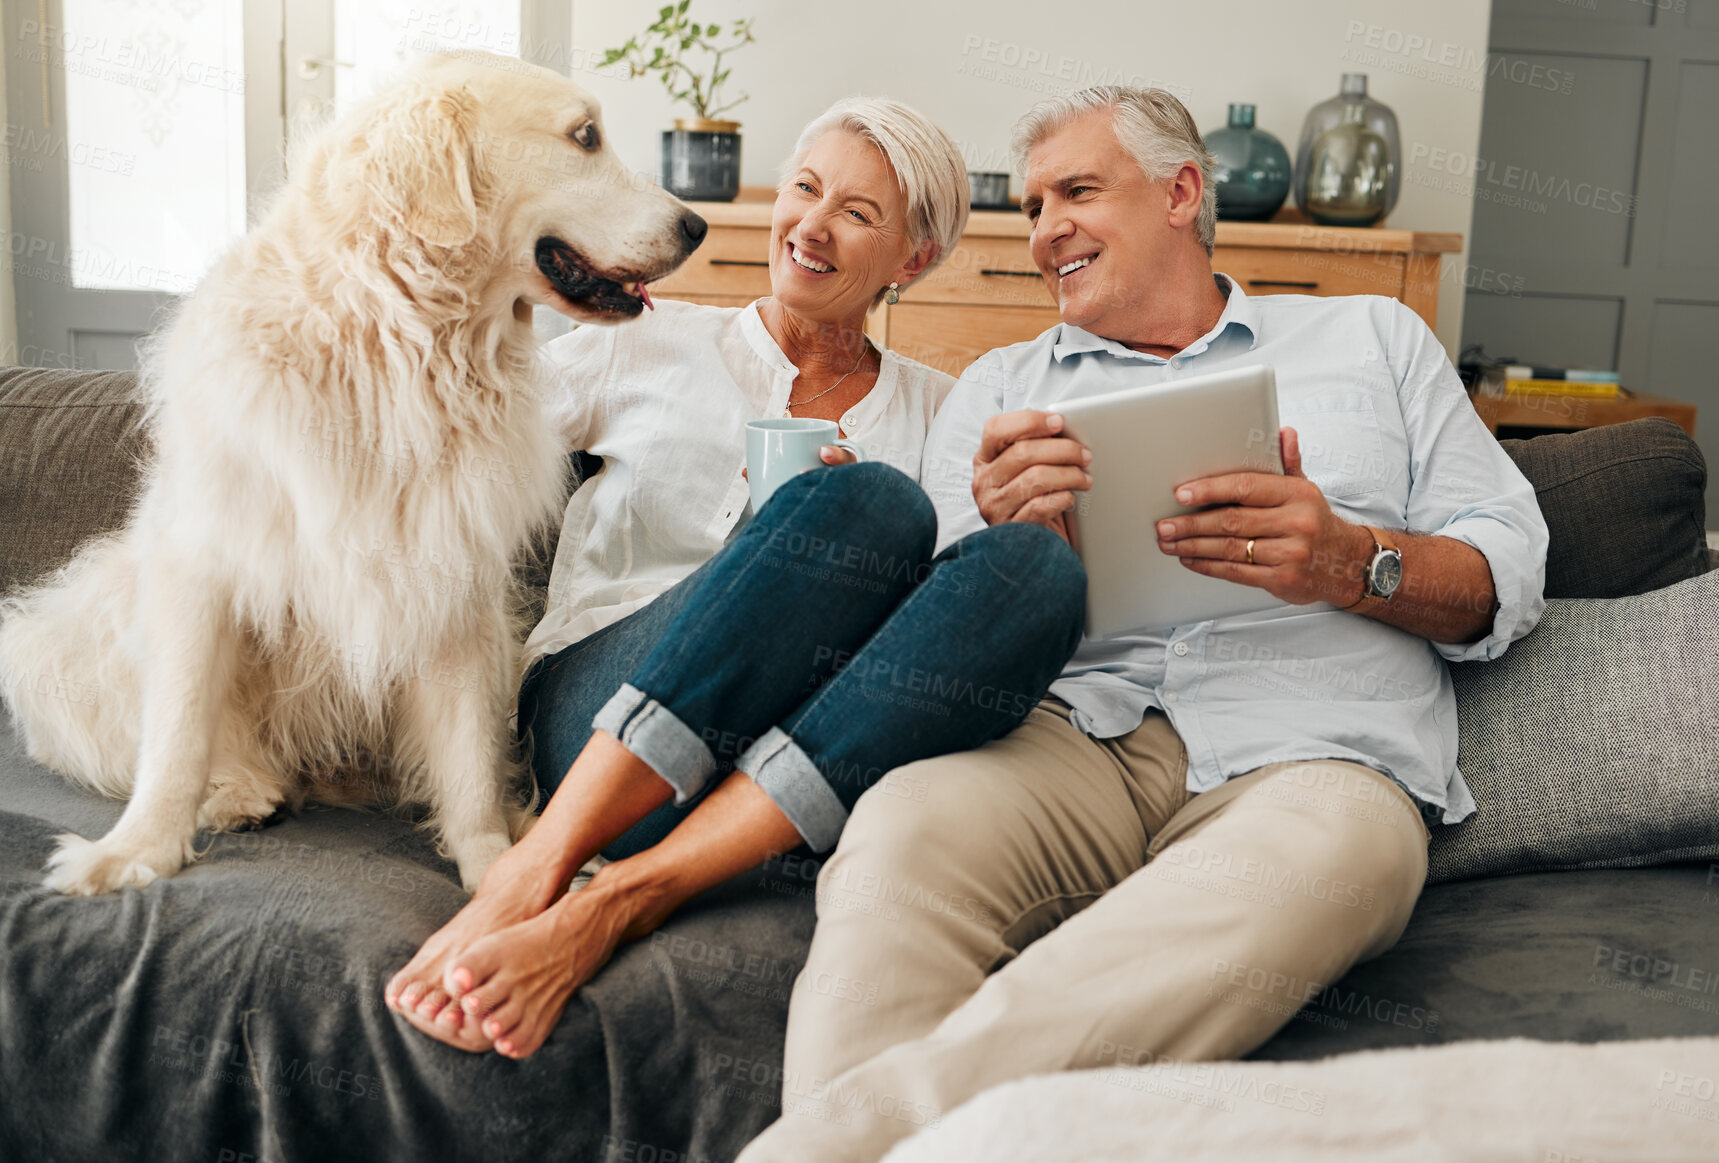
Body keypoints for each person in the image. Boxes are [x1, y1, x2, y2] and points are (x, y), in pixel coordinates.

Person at [737, 86, 1550, 1163]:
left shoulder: (1370, 337)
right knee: (900, 834)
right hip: (1066, 737)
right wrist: (1006, 558)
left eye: (1077, 191)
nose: (1044, 230)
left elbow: (1509, 563)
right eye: (1030, 206)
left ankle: (827, 1147)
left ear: (1181, 192)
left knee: (1322, 866)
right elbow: (915, 636)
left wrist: (1355, 559)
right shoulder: (1000, 389)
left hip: (1308, 755)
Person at [383, 98, 1088, 1059]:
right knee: (870, 508)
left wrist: (1017, 518)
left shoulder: (943, 407)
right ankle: (538, 866)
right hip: (597, 721)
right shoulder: (641, 337)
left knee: (1038, 570)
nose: (811, 225)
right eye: (804, 190)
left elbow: (957, 617)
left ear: (912, 260)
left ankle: (623, 900)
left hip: (784, 770)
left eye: (857, 214)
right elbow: (454, 447)